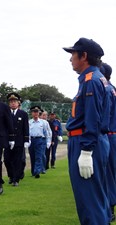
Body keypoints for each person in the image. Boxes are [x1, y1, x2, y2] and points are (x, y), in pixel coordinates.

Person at [63, 37, 111, 224]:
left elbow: (93, 118)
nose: (70, 59)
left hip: (85, 141)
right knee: (96, 199)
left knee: (89, 202)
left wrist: (86, 151)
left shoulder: (91, 80)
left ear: (84, 56)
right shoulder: (95, 78)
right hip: (92, 141)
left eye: (73, 54)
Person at [100, 63, 116, 222]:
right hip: (112, 134)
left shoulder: (106, 89)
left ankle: (110, 207)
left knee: (107, 173)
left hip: (108, 134)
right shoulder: (113, 88)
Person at [3, 93, 29, 187]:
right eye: (11, 102)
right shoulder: (5, 113)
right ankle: (11, 175)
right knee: (7, 160)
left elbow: (25, 128)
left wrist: (26, 140)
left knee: (17, 160)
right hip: (7, 141)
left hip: (19, 140)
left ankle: (16, 179)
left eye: (15, 101)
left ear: (18, 103)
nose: (13, 103)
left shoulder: (23, 114)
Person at [28, 106, 51, 178]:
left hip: (40, 140)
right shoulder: (29, 122)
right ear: (32, 113)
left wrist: (48, 141)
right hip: (31, 140)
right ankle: (33, 171)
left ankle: (37, 171)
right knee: (32, 156)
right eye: (34, 112)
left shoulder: (43, 122)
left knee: (39, 156)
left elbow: (47, 133)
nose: (35, 114)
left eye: (37, 112)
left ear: (39, 113)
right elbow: (27, 132)